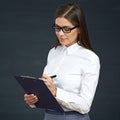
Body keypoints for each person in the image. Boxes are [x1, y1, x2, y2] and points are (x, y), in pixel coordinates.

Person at [24, 3, 100, 120]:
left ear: (79, 29)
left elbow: (85, 106)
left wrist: (56, 92)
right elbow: (48, 93)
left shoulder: (89, 58)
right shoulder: (53, 52)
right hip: (49, 116)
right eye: (57, 28)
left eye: (66, 29)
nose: (60, 33)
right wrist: (34, 100)